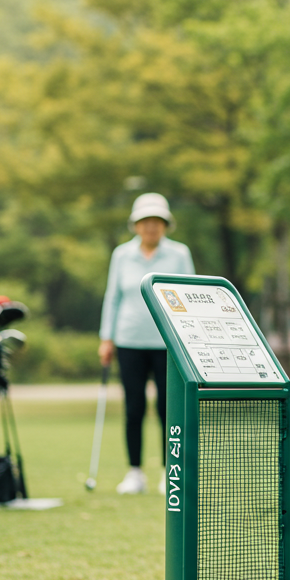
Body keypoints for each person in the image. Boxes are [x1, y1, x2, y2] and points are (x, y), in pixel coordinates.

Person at [98, 193, 196, 495]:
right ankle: (135, 472)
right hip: (129, 341)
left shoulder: (179, 254)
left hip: (169, 343)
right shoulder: (122, 255)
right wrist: (106, 337)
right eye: (145, 221)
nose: (151, 226)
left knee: (169, 409)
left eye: (157, 221)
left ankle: (170, 471)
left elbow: (190, 295)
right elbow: (113, 297)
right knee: (134, 408)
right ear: (136, 225)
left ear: (165, 225)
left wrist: (190, 337)